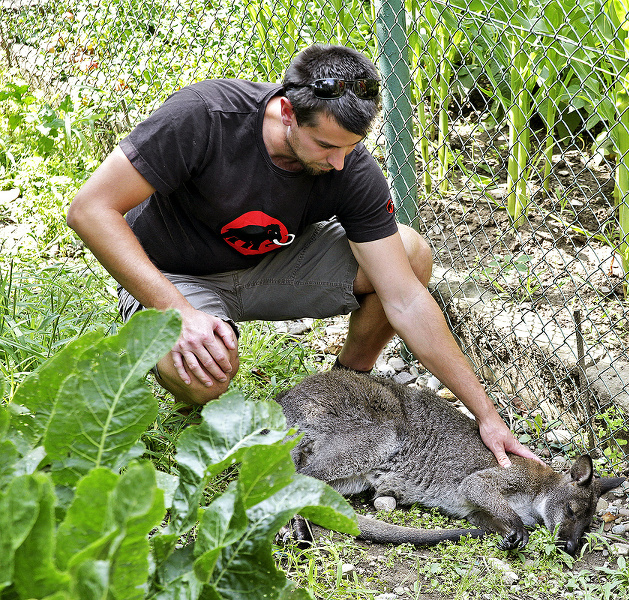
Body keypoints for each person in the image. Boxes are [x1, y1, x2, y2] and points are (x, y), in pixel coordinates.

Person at [67, 44, 540, 468]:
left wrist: (487, 416)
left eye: (350, 147)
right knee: (204, 379)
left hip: (271, 267)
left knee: (410, 254)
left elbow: (407, 300)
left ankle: (348, 386)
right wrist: (179, 311)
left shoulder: (350, 166)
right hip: (175, 273)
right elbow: (89, 209)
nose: (339, 162)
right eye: (327, 145)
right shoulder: (206, 117)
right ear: (287, 110)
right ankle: (186, 371)